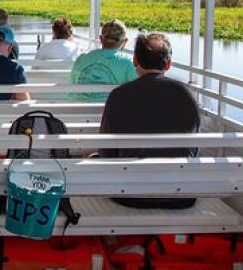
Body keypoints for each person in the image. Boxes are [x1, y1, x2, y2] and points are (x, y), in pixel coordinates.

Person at [99, 32, 201, 209]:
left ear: (135, 60)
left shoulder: (119, 95)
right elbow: (193, 147)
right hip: (180, 195)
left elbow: (106, 148)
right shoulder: (186, 94)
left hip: (129, 194)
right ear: (168, 64)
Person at [70, 19, 136, 101]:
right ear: (124, 41)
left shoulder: (82, 58)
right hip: (111, 112)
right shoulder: (128, 63)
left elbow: (72, 87)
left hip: (78, 110)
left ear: (101, 39)